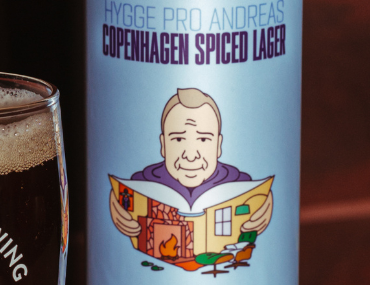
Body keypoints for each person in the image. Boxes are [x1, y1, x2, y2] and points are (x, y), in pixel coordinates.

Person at [110, 87, 272, 238]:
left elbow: (257, 193)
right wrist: (115, 203)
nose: (190, 155)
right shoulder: (145, 182)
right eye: (178, 139)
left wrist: (266, 203)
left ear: (218, 146)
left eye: (203, 139)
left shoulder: (236, 183)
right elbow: (123, 191)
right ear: (163, 145)